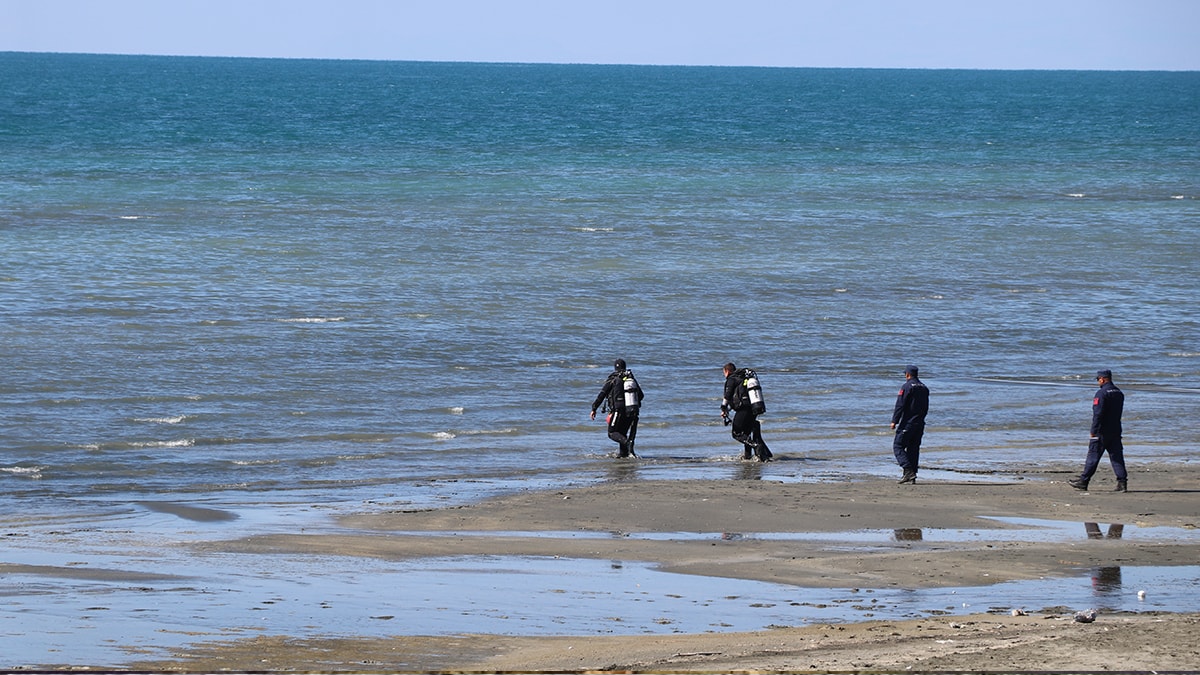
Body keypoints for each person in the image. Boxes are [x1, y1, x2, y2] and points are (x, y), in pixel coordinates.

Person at [1070, 369, 1127, 492]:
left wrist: (1094, 430)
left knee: (1093, 456)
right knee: (1117, 457)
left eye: (1098, 380)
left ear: (1102, 379)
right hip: (1116, 430)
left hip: (1101, 431)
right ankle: (1122, 483)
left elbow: (1098, 414)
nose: (1098, 382)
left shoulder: (1101, 393)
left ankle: (1084, 481)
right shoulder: (1119, 392)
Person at [590, 358, 644, 458]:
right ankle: (623, 457)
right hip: (632, 411)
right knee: (622, 433)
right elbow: (641, 395)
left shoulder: (613, 379)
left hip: (618, 411)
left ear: (615, 367)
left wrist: (594, 408)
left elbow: (602, 394)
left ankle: (628, 443)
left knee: (612, 433)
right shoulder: (631, 379)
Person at [721, 362, 772, 462]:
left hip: (743, 409)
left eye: (724, 373)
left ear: (727, 371)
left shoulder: (731, 379)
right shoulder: (744, 378)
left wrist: (723, 407)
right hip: (753, 408)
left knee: (736, 433)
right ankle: (748, 457)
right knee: (746, 434)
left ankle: (756, 446)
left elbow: (728, 395)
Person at [891, 365, 929, 484]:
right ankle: (912, 475)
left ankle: (908, 471)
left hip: (908, 422)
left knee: (898, 446)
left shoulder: (907, 386)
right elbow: (926, 407)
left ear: (907, 374)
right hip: (920, 422)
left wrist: (894, 421)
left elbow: (900, 405)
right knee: (913, 448)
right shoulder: (924, 387)